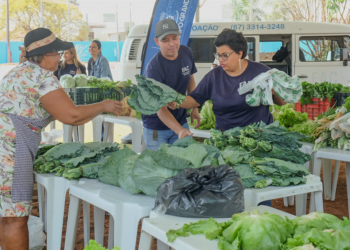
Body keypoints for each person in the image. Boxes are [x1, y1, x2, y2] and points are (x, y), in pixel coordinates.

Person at [0, 28, 122, 250]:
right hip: (11, 149)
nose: (59, 57)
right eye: (56, 53)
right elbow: (72, 116)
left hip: (4, 145)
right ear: (44, 55)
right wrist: (104, 105)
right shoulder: (42, 77)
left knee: (6, 215)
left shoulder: (17, 72)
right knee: (16, 218)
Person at [166, 28, 287, 206]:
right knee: (229, 191)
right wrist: (176, 100)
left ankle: (262, 218)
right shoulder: (214, 76)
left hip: (258, 144)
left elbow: (282, 102)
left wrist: (273, 90)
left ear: (240, 53)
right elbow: (195, 99)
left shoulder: (260, 71)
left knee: (259, 189)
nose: (220, 60)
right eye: (218, 55)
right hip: (226, 145)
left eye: (225, 55)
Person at [142, 19, 200, 150]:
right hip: (156, 128)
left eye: (174, 38)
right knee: (159, 167)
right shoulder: (153, 69)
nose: (171, 44)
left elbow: (190, 78)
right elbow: (160, 109)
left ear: (179, 35)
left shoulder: (187, 53)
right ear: (157, 42)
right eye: (165, 40)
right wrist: (179, 130)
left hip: (181, 122)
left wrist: (194, 107)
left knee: (186, 166)